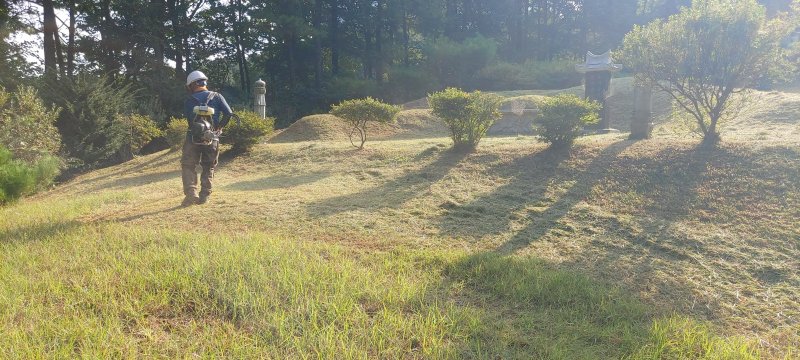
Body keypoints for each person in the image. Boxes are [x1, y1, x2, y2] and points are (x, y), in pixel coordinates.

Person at [181, 70, 233, 206]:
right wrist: (219, 127)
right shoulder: (217, 96)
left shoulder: (188, 100)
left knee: (188, 165)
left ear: (192, 85)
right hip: (212, 138)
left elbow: (189, 119)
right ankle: (204, 196)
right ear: (204, 82)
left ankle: (191, 193)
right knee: (208, 166)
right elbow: (229, 113)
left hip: (192, 138)